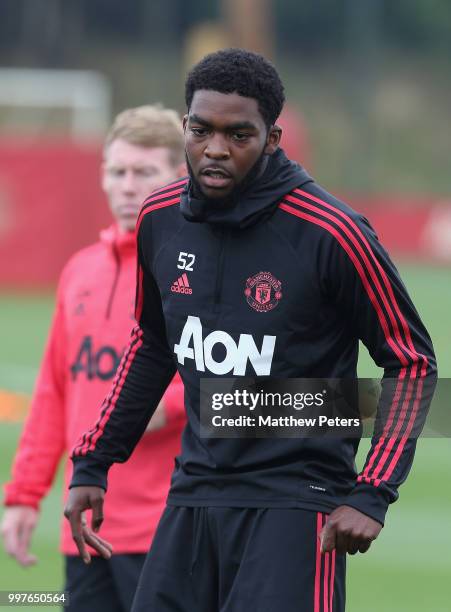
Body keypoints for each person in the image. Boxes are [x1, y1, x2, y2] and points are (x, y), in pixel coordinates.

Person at [64, 50, 436, 612]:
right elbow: (151, 344)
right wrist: (94, 461)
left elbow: (411, 361)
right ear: (185, 126)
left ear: (272, 137)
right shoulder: (159, 218)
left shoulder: (333, 232)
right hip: (191, 492)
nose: (215, 149)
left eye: (239, 134)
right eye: (201, 130)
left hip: (296, 504)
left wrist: (372, 491)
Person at [1, 105, 186, 612]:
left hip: (165, 528)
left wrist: (170, 405)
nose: (127, 186)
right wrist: (23, 496)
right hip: (82, 524)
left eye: (144, 172)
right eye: (117, 171)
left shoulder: (194, 273)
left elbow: (239, 376)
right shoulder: (79, 271)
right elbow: (53, 392)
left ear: (178, 177)